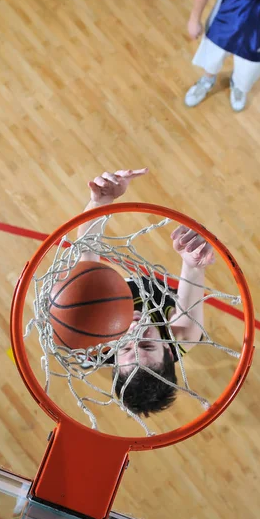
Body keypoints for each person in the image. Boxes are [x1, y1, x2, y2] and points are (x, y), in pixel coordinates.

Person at [78, 168, 215, 417]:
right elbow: (194, 271)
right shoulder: (184, 336)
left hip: (101, 329)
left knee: (81, 342)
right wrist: (193, 260)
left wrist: (100, 201)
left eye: (127, 348)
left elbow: (87, 250)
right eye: (147, 344)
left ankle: (93, 362)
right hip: (155, 297)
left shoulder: (95, 337)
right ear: (170, 350)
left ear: (113, 357)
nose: (135, 331)